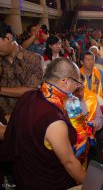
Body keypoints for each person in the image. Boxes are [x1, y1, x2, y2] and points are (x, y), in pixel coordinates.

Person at [0, 58, 85, 189]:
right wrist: (88, 183)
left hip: (23, 175)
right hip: (48, 182)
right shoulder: (54, 120)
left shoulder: (28, 96)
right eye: (77, 82)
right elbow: (69, 162)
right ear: (65, 81)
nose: (77, 87)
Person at [0, 20, 44, 119]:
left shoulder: (32, 58)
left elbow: (31, 90)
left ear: (8, 38)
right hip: (3, 119)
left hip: (28, 117)